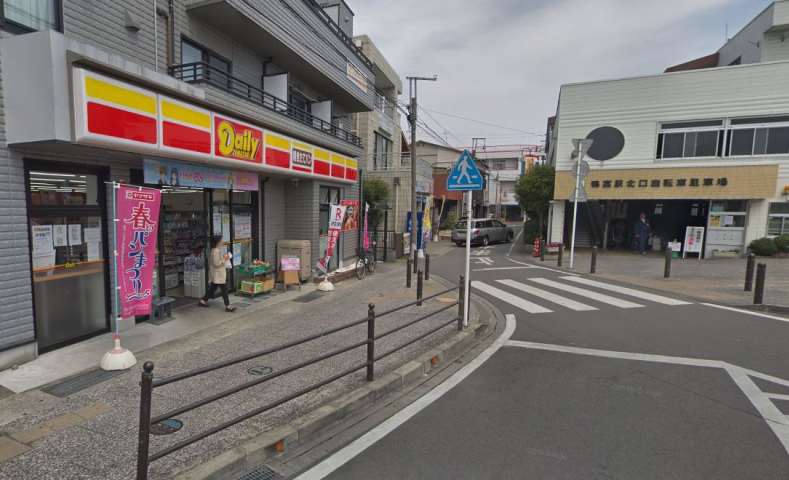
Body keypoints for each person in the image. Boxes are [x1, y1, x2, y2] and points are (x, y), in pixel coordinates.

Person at [199, 235, 235, 312]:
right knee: (224, 289)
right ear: (218, 242)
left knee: (213, 288)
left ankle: (203, 301)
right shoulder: (215, 251)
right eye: (221, 240)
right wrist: (225, 259)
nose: (222, 241)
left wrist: (224, 257)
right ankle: (228, 306)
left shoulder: (216, 250)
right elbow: (216, 263)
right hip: (218, 274)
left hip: (217, 274)